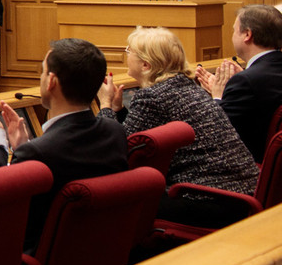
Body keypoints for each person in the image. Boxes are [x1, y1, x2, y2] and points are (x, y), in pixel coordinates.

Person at [0, 38, 128, 248]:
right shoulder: (115, 132)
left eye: (43, 72)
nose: (41, 78)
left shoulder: (38, 153)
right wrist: (22, 147)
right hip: (98, 255)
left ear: (51, 81)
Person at [98, 26, 257, 227]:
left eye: (129, 51)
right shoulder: (186, 86)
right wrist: (118, 109)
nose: (125, 55)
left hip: (211, 201)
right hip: (241, 193)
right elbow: (138, 133)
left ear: (146, 65)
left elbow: (114, 151)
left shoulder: (153, 96)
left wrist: (105, 105)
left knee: (116, 204)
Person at [197, 4, 282, 161]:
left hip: (249, 165)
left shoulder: (246, 82)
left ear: (247, 35)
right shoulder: (251, 78)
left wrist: (217, 96)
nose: (232, 35)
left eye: (234, 30)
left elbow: (216, 134)